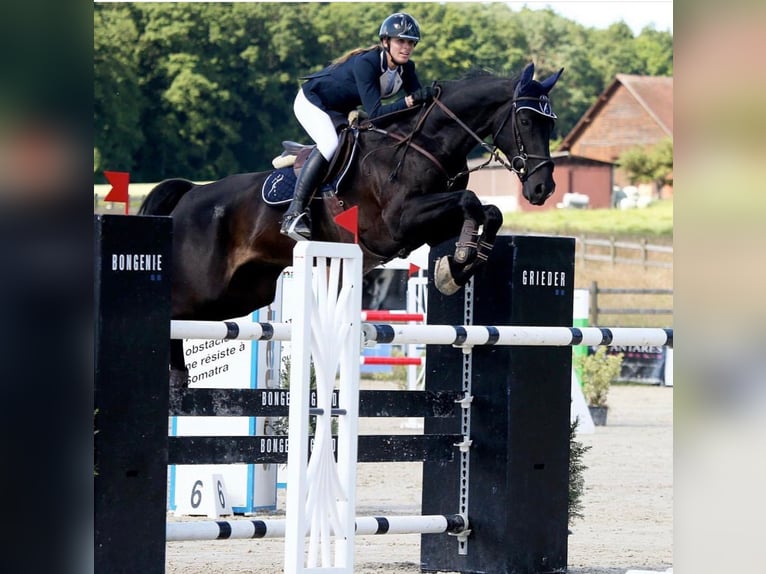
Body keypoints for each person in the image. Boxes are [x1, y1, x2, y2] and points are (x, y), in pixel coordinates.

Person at [280, 12, 435, 240]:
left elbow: (417, 109)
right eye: (400, 41)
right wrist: (409, 100)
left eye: (411, 43)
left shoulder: (406, 69)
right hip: (313, 102)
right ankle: (294, 213)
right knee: (330, 143)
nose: (406, 47)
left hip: (339, 110)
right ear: (385, 42)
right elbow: (375, 114)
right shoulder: (368, 63)